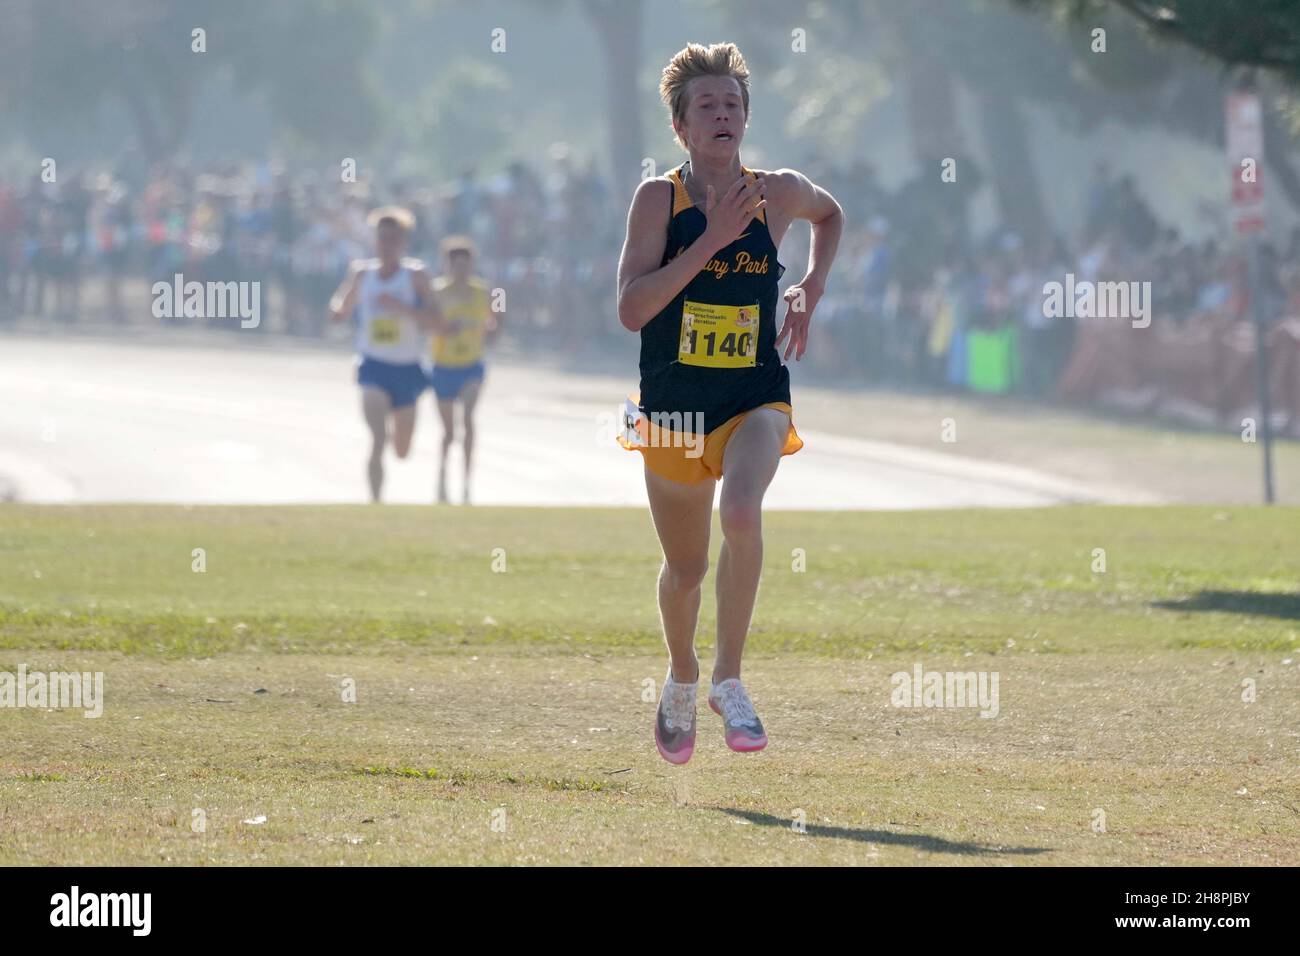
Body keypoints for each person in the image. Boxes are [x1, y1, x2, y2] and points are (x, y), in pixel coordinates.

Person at [616, 42, 844, 763]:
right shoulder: (660, 200)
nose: (723, 115)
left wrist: (811, 285)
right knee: (686, 571)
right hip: (675, 408)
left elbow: (831, 215)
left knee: (742, 512)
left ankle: (728, 679)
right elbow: (631, 308)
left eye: (733, 104)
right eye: (707, 106)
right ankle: (681, 674)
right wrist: (712, 240)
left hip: (754, 393)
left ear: (746, 118)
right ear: (680, 127)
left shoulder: (775, 191)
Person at [329, 206, 440, 502]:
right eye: (382, 238)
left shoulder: (416, 275)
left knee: (401, 450)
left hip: (407, 368)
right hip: (373, 365)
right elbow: (342, 301)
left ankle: (396, 449)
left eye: (393, 239)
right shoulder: (362, 272)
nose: (387, 245)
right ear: (374, 241)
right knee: (378, 437)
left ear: (403, 242)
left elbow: (435, 321)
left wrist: (403, 309)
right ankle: (376, 503)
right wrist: (338, 311)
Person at [429, 235, 496, 504]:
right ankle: (443, 476)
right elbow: (426, 322)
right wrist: (443, 328)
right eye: (454, 263)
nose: (460, 268)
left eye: (464, 263)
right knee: (448, 431)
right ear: (446, 264)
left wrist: (492, 329)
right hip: (443, 366)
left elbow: (497, 318)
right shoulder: (436, 291)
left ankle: (467, 483)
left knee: (468, 420)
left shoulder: (484, 291)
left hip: (471, 365)